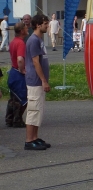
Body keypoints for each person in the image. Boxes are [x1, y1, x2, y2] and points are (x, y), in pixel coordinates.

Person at [24, 14, 51, 151]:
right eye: (45, 23)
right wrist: (43, 81)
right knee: (33, 110)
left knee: (38, 110)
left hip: (38, 82)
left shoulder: (39, 39)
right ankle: (29, 140)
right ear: (38, 25)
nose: (47, 26)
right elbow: (35, 62)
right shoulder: (33, 40)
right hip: (35, 81)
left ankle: (35, 137)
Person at [5, 22, 28, 128]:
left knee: (13, 98)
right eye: (25, 28)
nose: (27, 29)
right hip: (18, 74)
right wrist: (22, 69)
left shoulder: (13, 42)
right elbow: (20, 59)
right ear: (22, 31)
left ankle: (9, 118)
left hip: (12, 72)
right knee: (21, 98)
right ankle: (17, 120)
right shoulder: (21, 43)